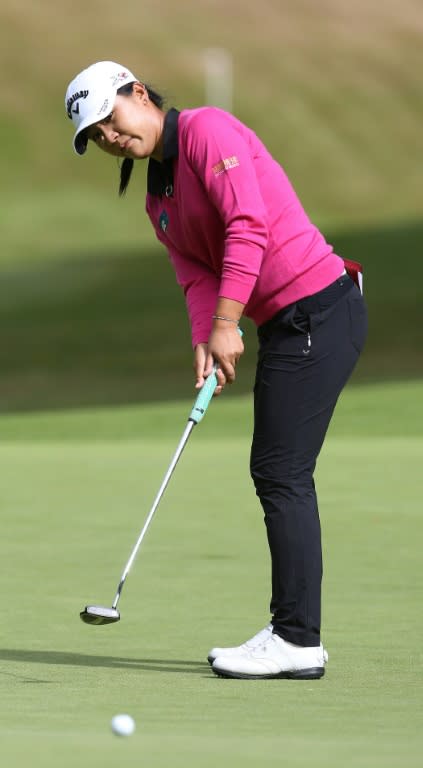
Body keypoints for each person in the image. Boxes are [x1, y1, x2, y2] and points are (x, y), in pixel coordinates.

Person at [65, 61, 368, 680]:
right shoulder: (158, 198)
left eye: (111, 121)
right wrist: (207, 335)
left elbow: (247, 226)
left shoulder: (208, 131)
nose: (111, 139)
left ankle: (296, 640)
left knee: (281, 472)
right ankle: (294, 634)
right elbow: (195, 274)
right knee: (277, 470)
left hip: (320, 309)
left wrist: (230, 323)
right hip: (289, 324)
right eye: (97, 137)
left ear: (139, 95)